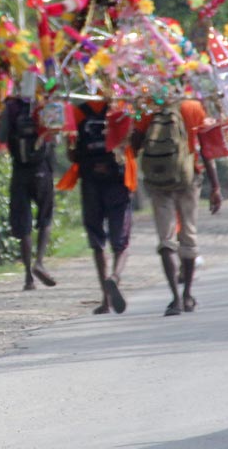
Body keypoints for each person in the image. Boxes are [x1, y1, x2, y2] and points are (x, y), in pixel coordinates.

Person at [132, 100, 222, 316]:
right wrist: (215, 186)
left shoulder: (148, 108)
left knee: (166, 240)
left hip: (158, 181)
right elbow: (206, 148)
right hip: (188, 178)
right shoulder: (193, 107)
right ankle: (187, 295)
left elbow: (135, 145)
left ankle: (174, 298)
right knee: (188, 237)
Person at [63, 100, 134, 315]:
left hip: (90, 182)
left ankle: (105, 300)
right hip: (117, 184)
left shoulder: (77, 112)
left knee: (97, 242)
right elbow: (132, 143)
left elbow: (72, 154)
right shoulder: (123, 108)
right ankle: (115, 277)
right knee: (121, 242)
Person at [0, 95, 56, 290]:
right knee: (45, 218)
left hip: (20, 172)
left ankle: (28, 277)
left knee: (24, 224)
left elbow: (1, 137)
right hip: (42, 170)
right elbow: (55, 135)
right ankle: (39, 261)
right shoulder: (46, 102)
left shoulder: (11, 107)